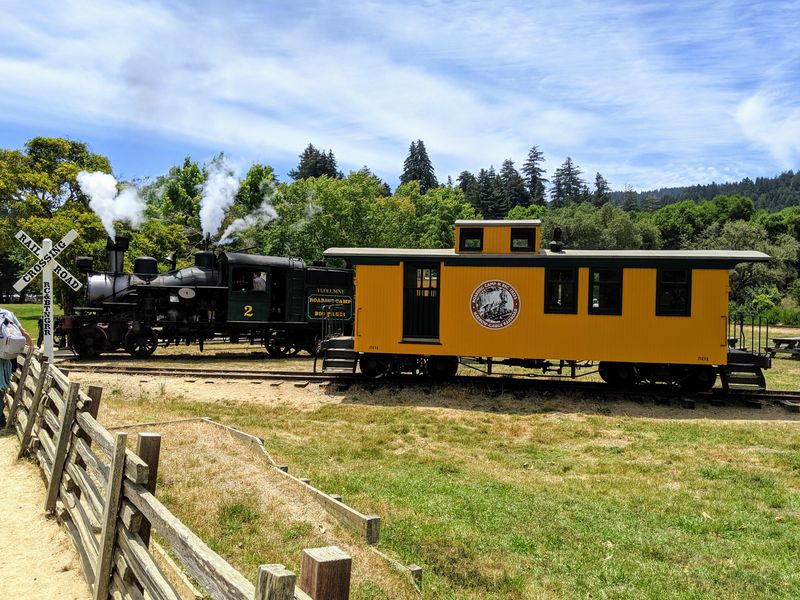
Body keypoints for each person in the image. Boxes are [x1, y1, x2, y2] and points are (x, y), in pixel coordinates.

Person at [0, 307, 32, 427]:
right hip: (5, 356)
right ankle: (0, 419)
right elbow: (23, 333)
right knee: (1, 387)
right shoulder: (7, 313)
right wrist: (32, 348)